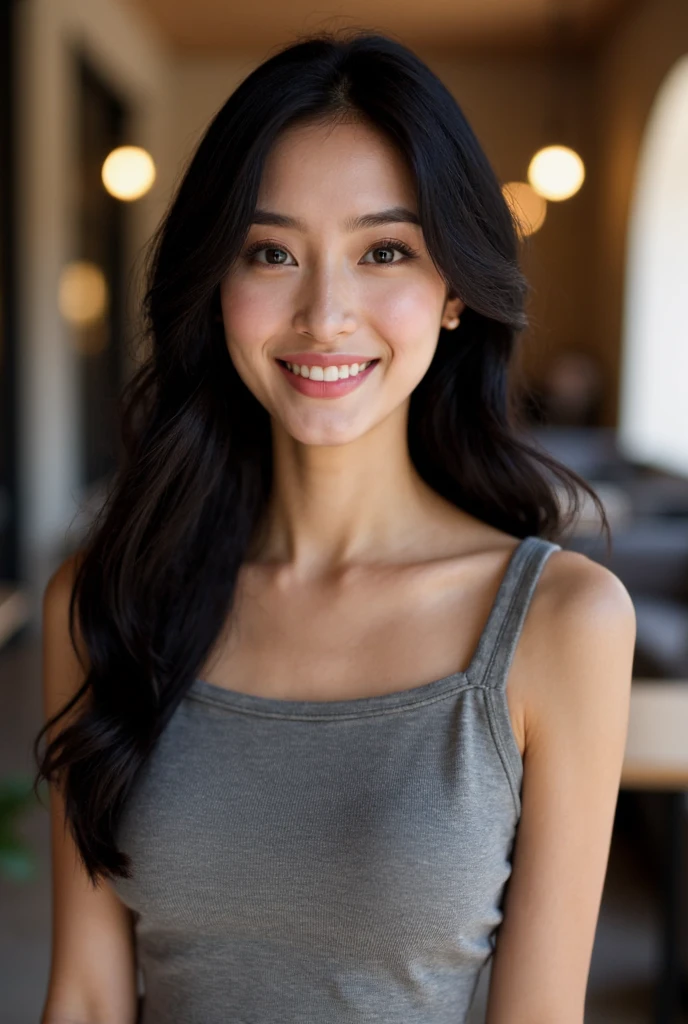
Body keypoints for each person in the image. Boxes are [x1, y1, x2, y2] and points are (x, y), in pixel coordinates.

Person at [35, 30, 636, 1024]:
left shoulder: (559, 622)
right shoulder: (105, 601)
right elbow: (89, 997)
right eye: (270, 252)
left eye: (383, 251)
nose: (324, 313)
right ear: (217, 289)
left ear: (452, 292)